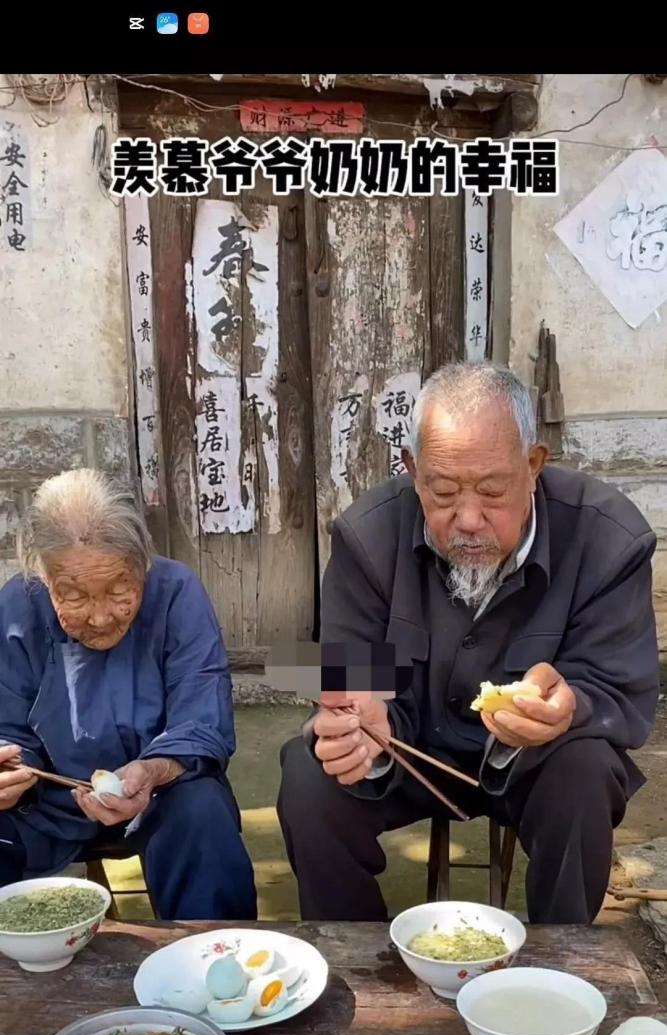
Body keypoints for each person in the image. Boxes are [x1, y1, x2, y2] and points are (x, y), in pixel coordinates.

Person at [278, 362, 660, 925]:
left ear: (533, 466)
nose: (469, 519)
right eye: (443, 491)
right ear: (412, 471)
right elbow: (344, 678)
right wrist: (356, 721)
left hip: (535, 760)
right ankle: (354, 966)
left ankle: (565, 969)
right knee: (309, 773)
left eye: (492, 490)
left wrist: (570, 704)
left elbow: (619, 684)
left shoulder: (608, 538)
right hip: (408, 751)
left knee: (587, 769)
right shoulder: (366, 537)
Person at [0, 468, 257, 920]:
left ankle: (210, 968)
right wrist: (9, 775)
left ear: (142, 565)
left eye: (120, 590)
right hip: (44, 802)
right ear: (43, 576)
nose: (100, 618)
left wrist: (154, 770)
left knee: (203, 813)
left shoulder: (177, 593)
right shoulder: (18, 606)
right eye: (74, 596)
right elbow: (7, 727)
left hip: (161, 791)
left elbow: (202, 721)